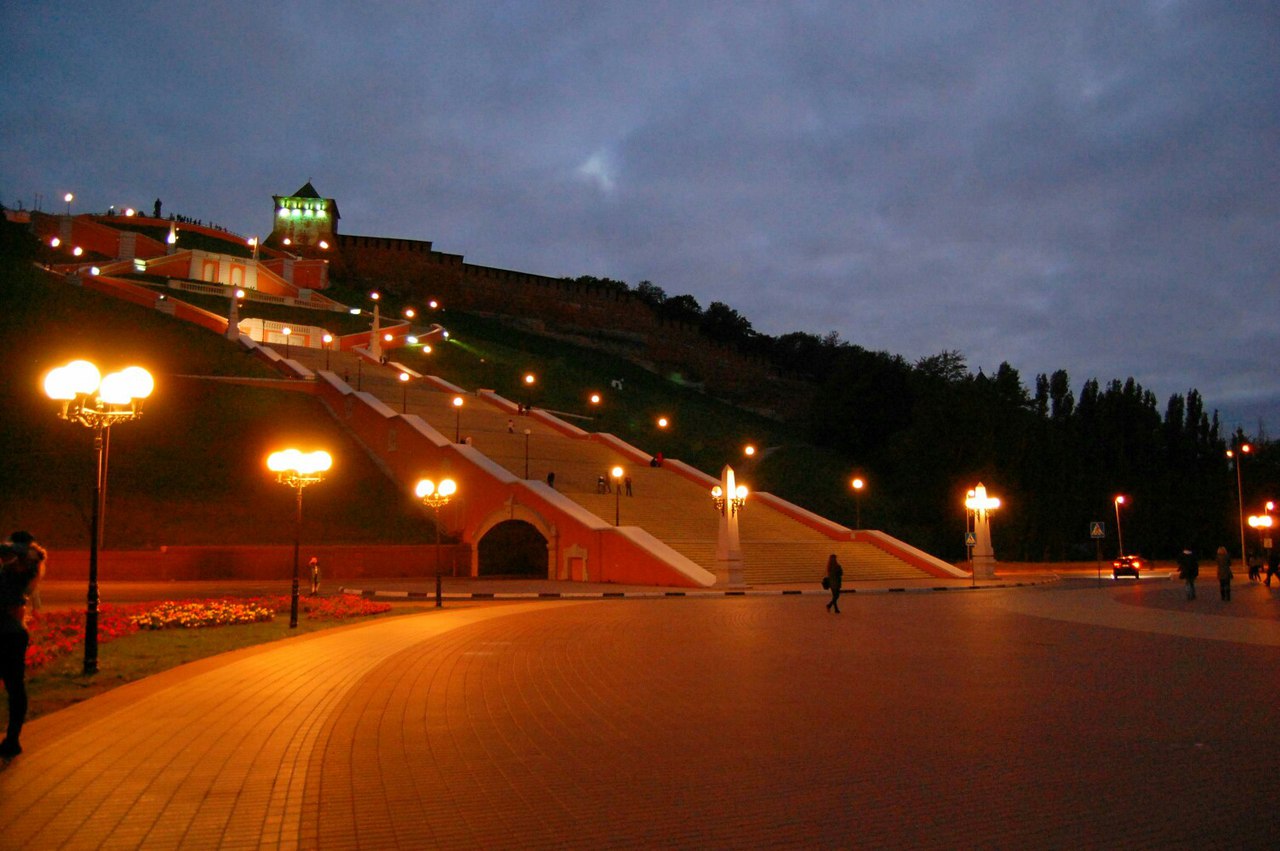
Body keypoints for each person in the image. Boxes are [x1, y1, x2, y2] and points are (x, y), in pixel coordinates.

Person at [1, 531, 47, 759]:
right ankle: (12, 739)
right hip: (13, 633)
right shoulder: (17, 569)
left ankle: (12, 739)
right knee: (15, 686)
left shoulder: (20, 570)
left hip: (8, 634)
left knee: (14, 687)